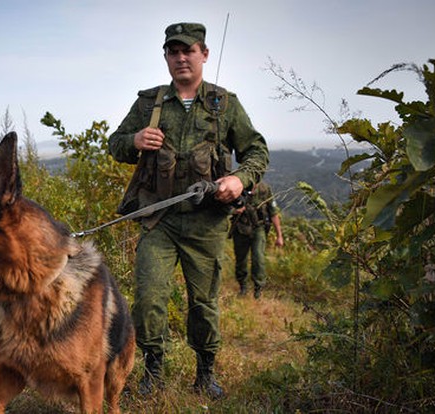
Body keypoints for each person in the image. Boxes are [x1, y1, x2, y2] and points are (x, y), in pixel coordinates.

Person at [108, 22, 269, 399]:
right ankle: (153, 372)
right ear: (166, 56)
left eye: (189, 50)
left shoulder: (224, 104)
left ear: (204, 54)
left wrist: (239, 180)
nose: (181, 58)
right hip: (158, 219)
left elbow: (256, 151)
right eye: (173, 51)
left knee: (204, 303)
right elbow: (115, 145)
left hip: (206, 222)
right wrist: (134, 140)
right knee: (149, 298)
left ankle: (205, 373)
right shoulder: (149, 103)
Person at [230, 181, 284, 299]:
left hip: (258, 228)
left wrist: (279, 235)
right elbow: (225, 207)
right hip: (241, 228)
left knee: (258, 258)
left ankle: (258, 288)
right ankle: (243, 286)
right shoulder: (238, 186)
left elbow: (273, 213)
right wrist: (235, 210)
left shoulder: (264, 189)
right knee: (241, 259)